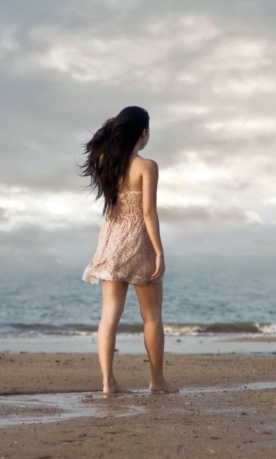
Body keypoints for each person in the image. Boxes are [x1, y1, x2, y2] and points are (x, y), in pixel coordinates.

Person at [81, 106, 178, 395]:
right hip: (138, 243)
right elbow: (148, 213)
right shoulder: (147, 166)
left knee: (109, 316)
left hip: (111, 241)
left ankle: (108, 382)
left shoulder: (103, 160)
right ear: (143, 133)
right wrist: (159, 251)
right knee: (152, 316)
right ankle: (157, 381)